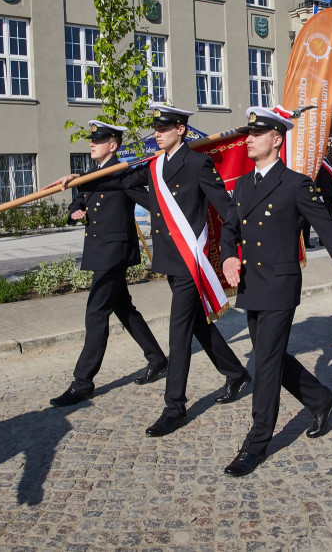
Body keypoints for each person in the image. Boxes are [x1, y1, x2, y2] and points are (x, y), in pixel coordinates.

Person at [220, 108, 332, 477]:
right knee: (268, 354)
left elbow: (331, 231)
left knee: (265, 363)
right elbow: (229, 229)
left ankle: (256, 442)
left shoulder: (296, 184)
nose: (249, 139)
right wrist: (227, 256)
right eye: (248, 134)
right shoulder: (242, 185)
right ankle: (322, 400)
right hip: (251, 286)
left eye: (257, 134)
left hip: (280, 285)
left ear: (277, 139)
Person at [135, 106, 251, 438]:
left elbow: (226, 208)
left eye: (164, 127)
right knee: (197, 323)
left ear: (181, 130)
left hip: (190, 262)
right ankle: (235, 372)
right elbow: (129, 184)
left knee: (179, 330)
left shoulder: (199, 163)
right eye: (156, 127)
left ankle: (175, 407)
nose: (157, 132)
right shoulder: (156, 166)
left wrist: (233, 247)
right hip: (171, 259)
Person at [43, 121, 168, 407]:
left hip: (115, 252)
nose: (92, 144)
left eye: (98, 141)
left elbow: (152, 200)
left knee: (96, 313)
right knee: (123, 308)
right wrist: (76, 209)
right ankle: (158, 359)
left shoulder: (123, 173)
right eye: (92, 140)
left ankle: (82, 382)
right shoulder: (94, 174)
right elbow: (80, 197)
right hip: (100, 250)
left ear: (113, 145)